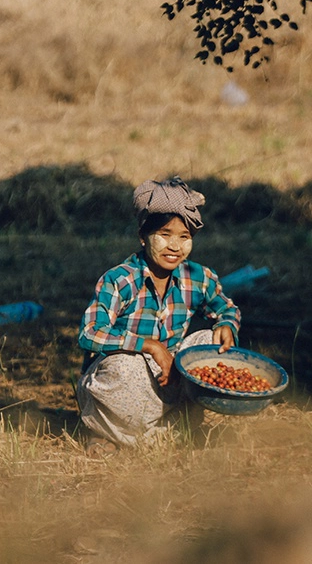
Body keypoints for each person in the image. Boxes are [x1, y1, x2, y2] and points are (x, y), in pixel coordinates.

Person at [76, 176, 241, 454]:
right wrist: (150, 346)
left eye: (184, 237)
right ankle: (108, 431)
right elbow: (90, 333)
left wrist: (227, 323)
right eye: (164, 235)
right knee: (125, 367)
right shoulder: (120, 280)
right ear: (143, 236)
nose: (174, 247)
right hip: (125, 384)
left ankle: (160, 429)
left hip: (170, 380)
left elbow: (226, 307)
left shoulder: (198, 277)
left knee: (208, 341)